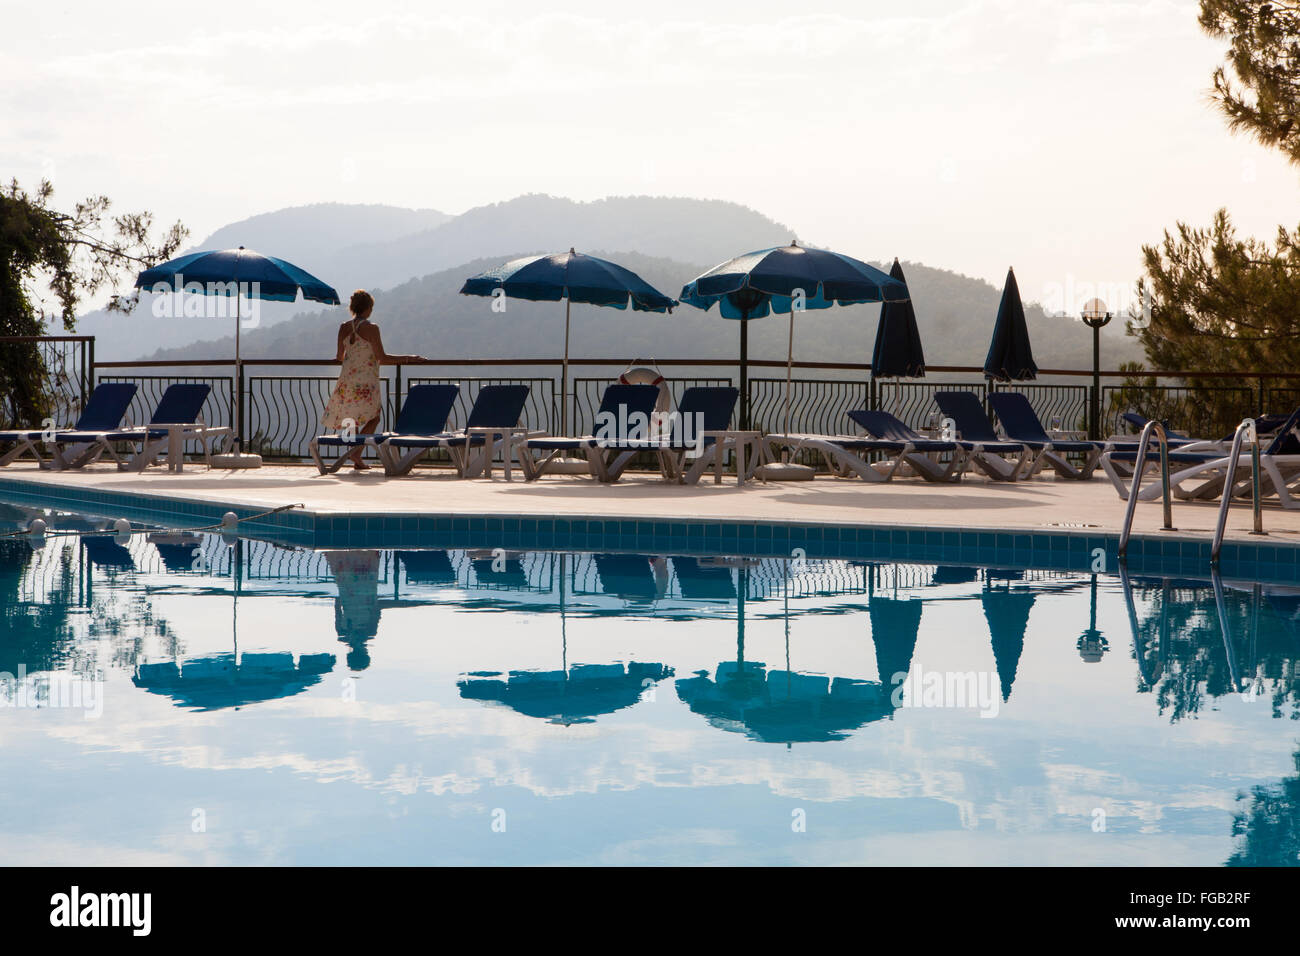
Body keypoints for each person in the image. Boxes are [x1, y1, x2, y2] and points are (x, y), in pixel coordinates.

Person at [321, 289, 423, 470]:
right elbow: (382, 357)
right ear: (369, 308)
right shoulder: (372, 328)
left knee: (352, 418)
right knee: (374, 418)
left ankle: (355, 456)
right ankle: (357, 453)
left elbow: (339, 356)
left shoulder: (344, 327)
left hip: (347, 380)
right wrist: (409, 358)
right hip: (367, 381)